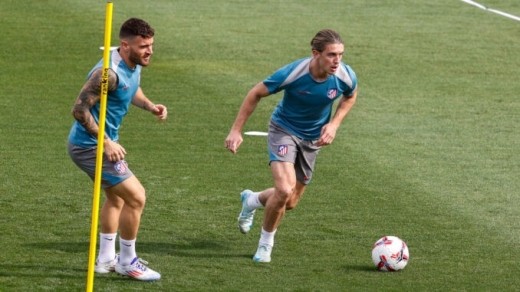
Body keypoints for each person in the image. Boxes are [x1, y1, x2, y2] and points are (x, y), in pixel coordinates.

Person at [225, 29, 358, 263]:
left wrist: (334, 124)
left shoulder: (345, 76)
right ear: (315, 54)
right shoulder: (294, 73)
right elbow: (256, 93)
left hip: (312, 139)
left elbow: (350, 96)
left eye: (341, 54)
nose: (337, 60)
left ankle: (252, 200)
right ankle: (265, 245)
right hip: (283, 130)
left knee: (291, 202)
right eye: (331, 55)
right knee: (284, 190)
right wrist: (236, 130)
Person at [67, 18, 167, 281]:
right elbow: (79, 109)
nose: (150, 51)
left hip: (96, 143)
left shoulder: (132, 64)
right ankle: (127, 262)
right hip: (90, 146)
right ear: (125, 45)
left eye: (151, 45)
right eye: (144, 46)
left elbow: (130, 89)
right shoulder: (107, 73)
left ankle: (105, 260)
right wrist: (106, 142)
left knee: (117, 199)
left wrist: (150, 106)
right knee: (136, 197)